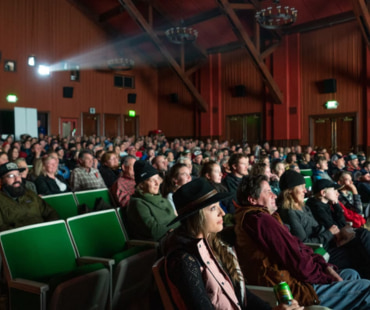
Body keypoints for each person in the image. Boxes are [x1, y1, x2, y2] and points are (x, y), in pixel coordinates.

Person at [161, 178, 304, 310]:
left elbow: (240, 294)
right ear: (196, 217)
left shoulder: (213, 243)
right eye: (213, 208)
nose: (222, 213)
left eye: (219, 206)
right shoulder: (184, 260)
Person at [234, 174, 370, 309]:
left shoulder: (263, 218)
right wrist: (326, 276)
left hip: (300, 276)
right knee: (366, 287)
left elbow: (299, 247)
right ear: (252, 200)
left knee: (351, 273)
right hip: (297, 289)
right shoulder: (261, 220)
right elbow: (297, 260)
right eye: (268, 191)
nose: (274, 195)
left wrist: (326, 267)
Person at [278, 170, 370, 280]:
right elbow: (304, 243)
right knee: (359, 255)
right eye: (301, 187)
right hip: (321, 253)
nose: (305, 190)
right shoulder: (290, 213)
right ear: (290, 190)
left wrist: (332, 233)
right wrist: (329, 233)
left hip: (328, 244)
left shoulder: (303, 207)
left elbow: (319, 227)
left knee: (362, 241)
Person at [126, 160, 179, 241]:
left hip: (172, 238)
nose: (157, 183)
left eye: (157, 178)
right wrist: (178, 224)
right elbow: (155, 232)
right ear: (141, 184)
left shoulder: (163, 199)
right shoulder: (138, 203)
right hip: (154, 246)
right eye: (152, 180)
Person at [0, 162, 59, 231]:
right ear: (1, 181)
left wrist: (49, 228)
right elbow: (2, 229)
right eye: (11, 176)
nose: (17, 179)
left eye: (18, 174)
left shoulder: (29, 193)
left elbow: (50, 212)